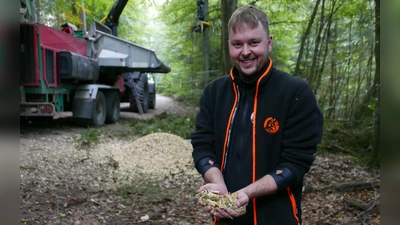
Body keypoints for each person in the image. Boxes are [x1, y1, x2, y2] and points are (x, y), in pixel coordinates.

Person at [190, 5, 323, 225]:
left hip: (278, 217)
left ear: (268, 42)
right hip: (225, 218)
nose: (245, 52)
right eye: (237, 44)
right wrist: (217, 184)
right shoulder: (214, 93)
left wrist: (246, 194)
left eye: (254, 42)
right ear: (229, 46)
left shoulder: (296, 93)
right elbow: (202, 146)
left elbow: (295, 163)